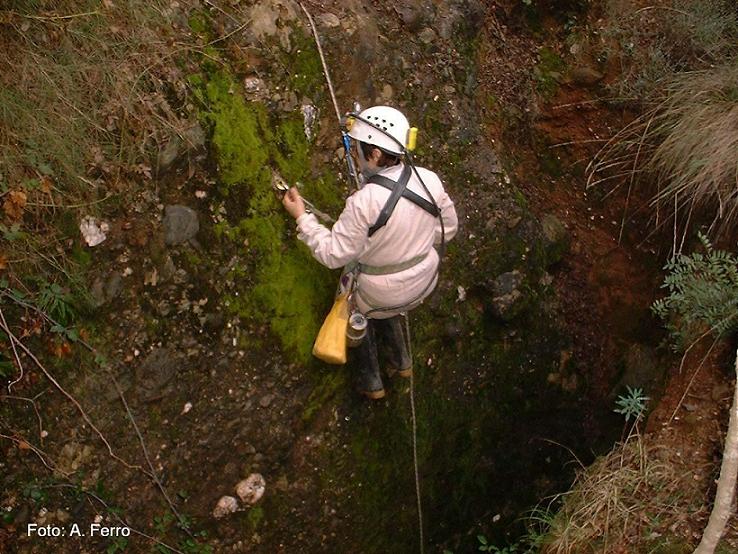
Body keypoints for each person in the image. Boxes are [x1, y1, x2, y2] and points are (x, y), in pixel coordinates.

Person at [282, 105, 458, 399]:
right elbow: (447, 229)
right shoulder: (430, 180)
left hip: (380, 294)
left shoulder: (364, 201)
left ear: (375, 154)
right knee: (387, 299)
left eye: (357, 149)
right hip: (425, 281)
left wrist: (302, 217)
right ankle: (402, 362)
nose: (353, 154)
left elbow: (331, 254)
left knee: (355, 307)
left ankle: (371, 381)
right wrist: (408, 242)